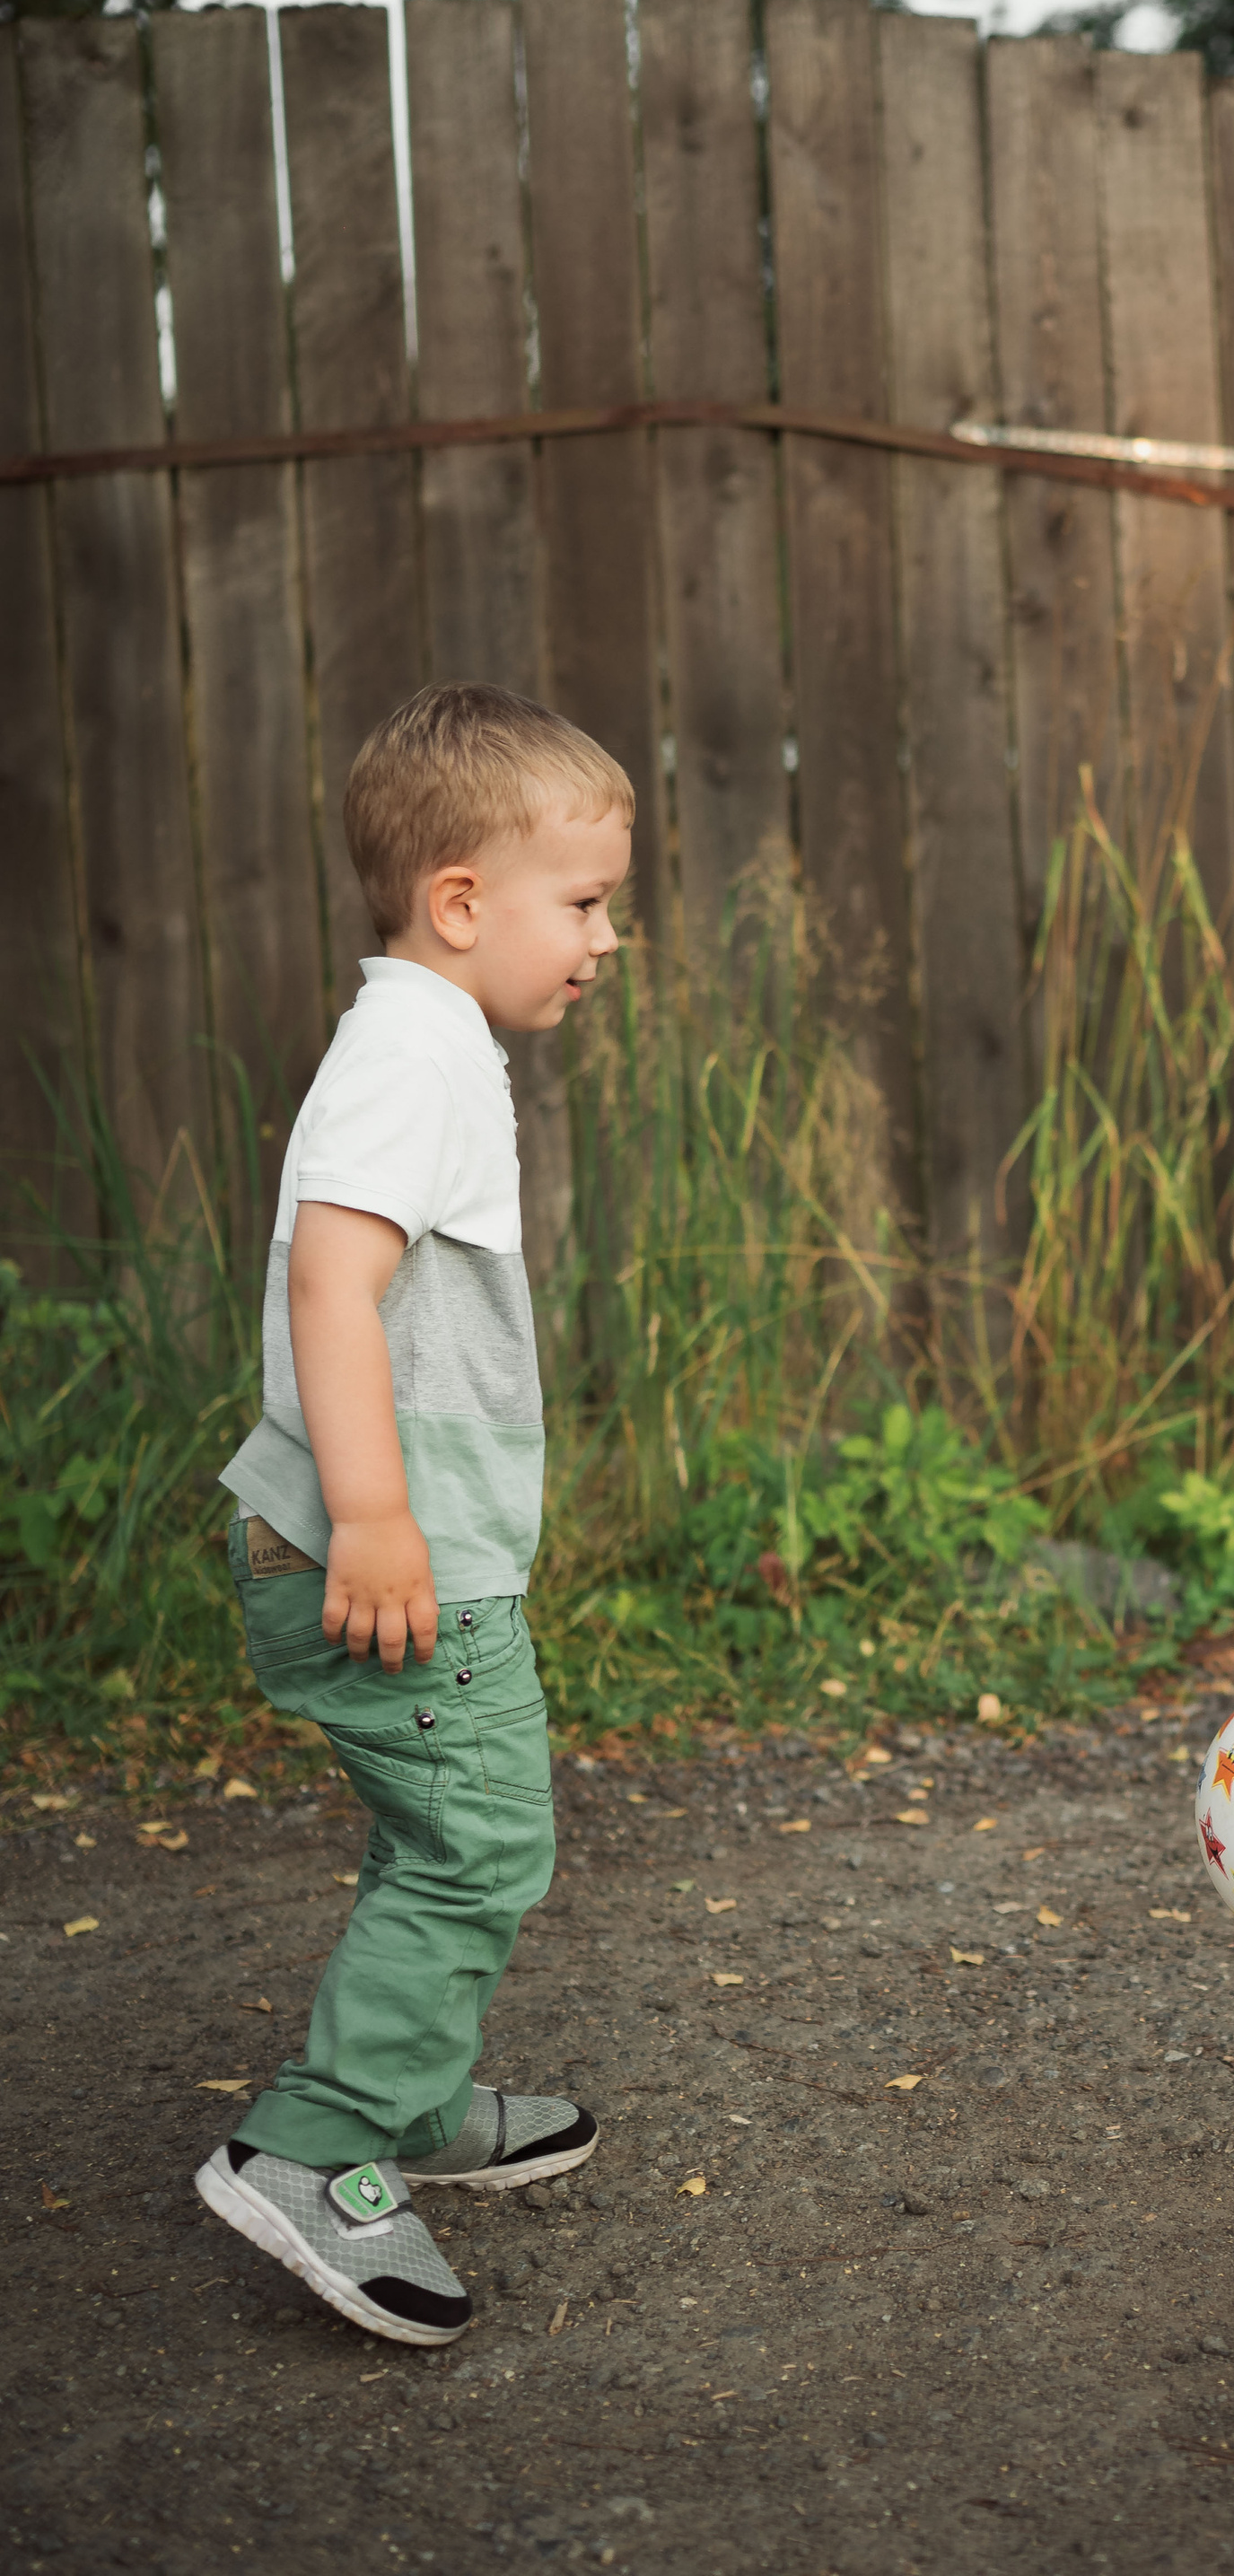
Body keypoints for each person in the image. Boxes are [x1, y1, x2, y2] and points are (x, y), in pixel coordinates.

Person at [196, 683, 632, 2347]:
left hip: (400, 1545)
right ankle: (314, 2145)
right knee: (481, 1842)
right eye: (582, 904)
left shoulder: (430, 1042)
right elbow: (333, 1277)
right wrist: (377, 1517)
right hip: (382, 1552)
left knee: (430, 1827)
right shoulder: (412, 1053)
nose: (606, 940)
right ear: (461, 902)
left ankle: (412, 2093)